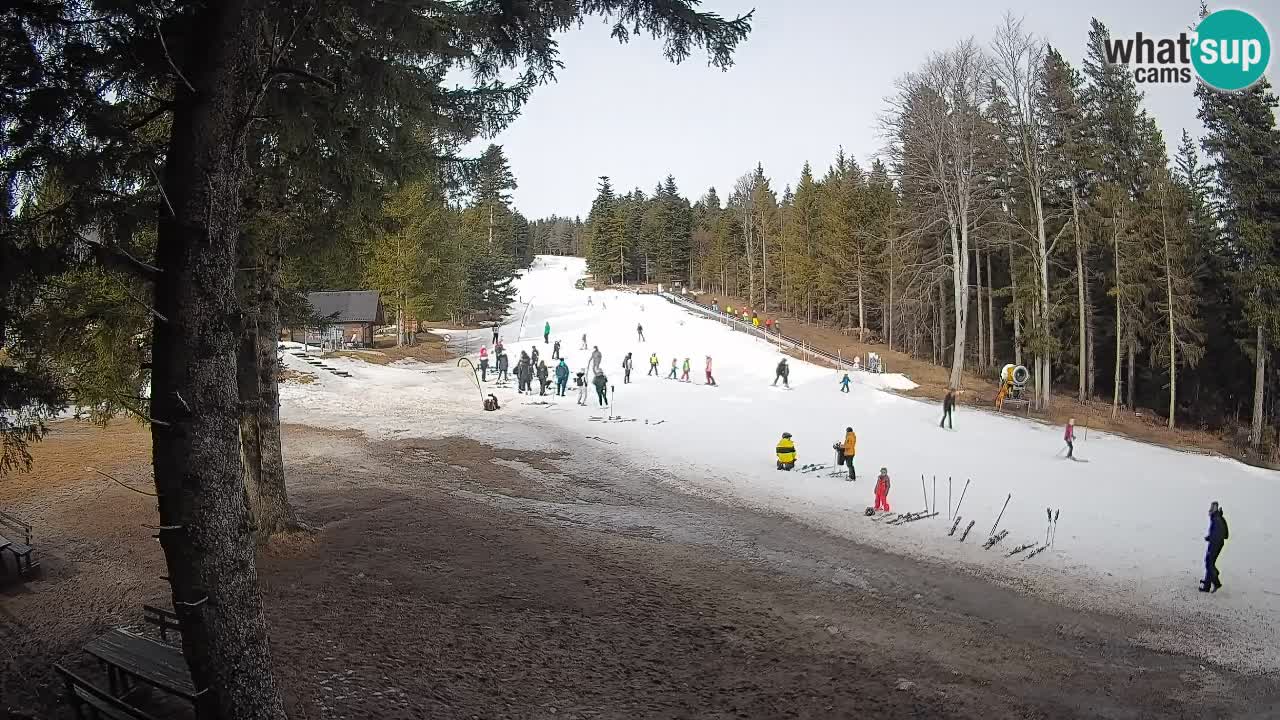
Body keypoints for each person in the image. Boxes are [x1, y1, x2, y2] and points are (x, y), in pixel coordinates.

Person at [1201, 501, 1229, 593]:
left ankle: (1216, 582)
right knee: (1209, 563)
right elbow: (1221, 534)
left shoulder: (1216, 519)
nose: (1209, 510)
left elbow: (1219, 534)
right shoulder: (1217, 518)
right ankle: (1207, 584)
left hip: (1215, 545)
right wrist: (1209, 537)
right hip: (1216, 543)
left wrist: (1211, 539)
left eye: (1211, 508)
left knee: (1209, 563)